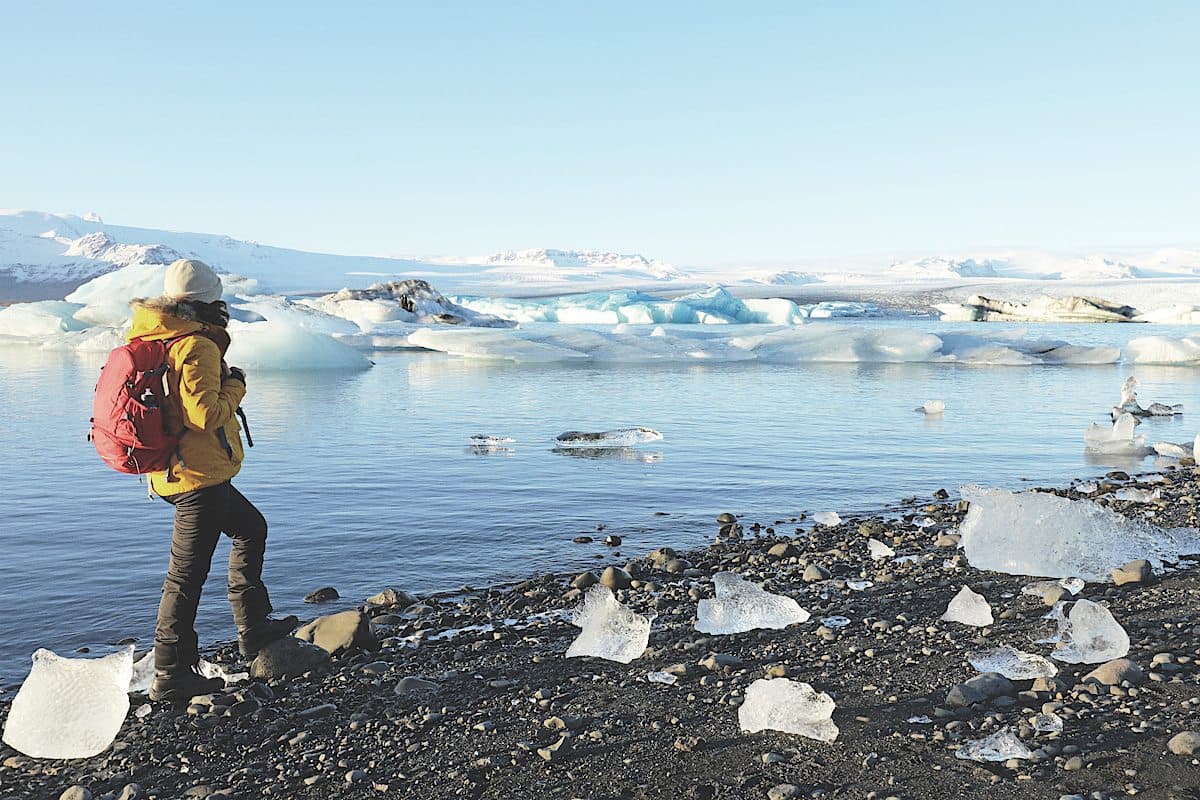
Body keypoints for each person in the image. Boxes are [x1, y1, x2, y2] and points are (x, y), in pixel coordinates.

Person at [126, 259, 297, 703]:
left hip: (173, 472)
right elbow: (205, 413)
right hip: (197, 476)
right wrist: (236, 386)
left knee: (250, 528)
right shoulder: (194, 344)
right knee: (185, 577)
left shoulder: (153, 336)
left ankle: (253, 629)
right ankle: (171, 673)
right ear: (208, 301)